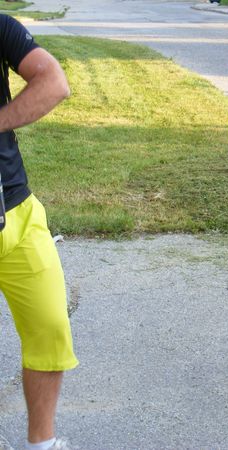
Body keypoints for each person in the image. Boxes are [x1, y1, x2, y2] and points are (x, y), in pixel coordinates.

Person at [0, 14, 78, 449]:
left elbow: (54, 82)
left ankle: (41, 443)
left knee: (50, 329)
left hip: (17, 209)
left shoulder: (0, 27)